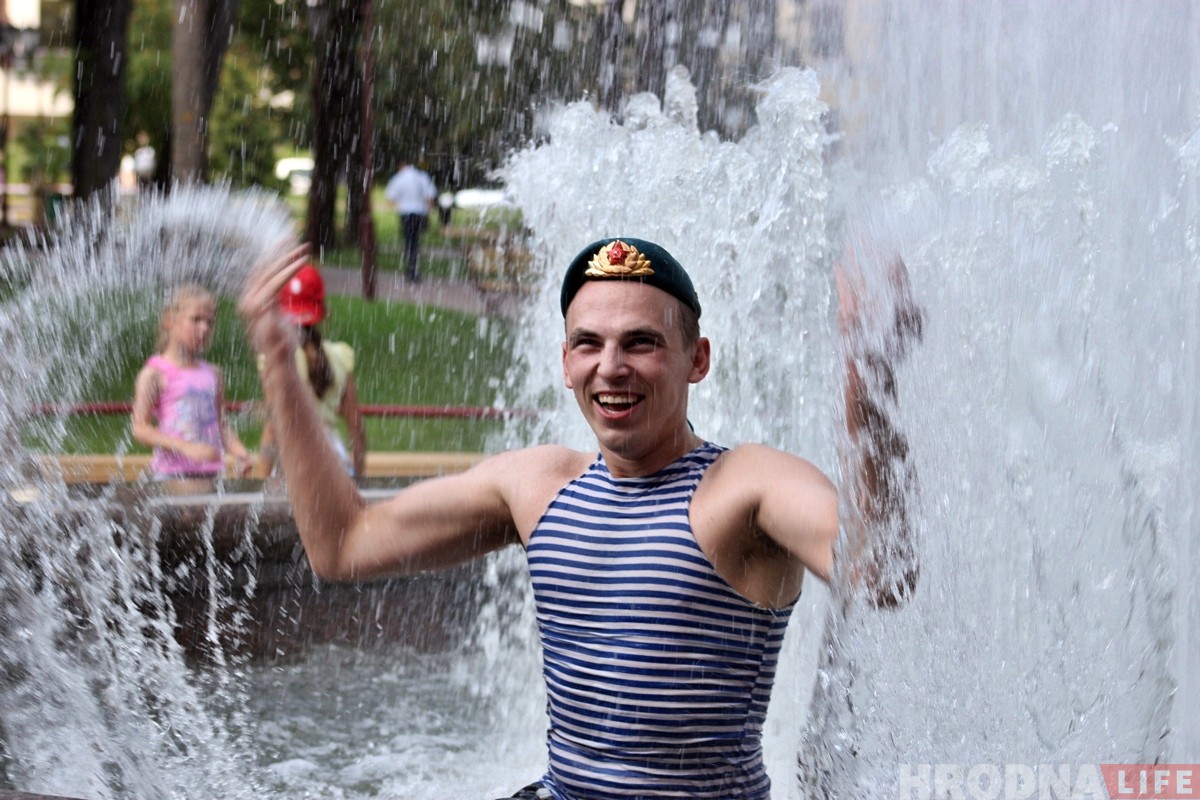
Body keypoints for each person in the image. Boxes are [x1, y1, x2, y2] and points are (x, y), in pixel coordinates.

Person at [239, 236, 921, 799]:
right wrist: (277, 362)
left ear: (698, 359)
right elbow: (343, 543)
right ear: (565, 363)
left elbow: (883, 575)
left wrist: (873, 385)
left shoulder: (741, 487)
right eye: (588, 344)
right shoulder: (535, 485)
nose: (612, 368)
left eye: (642, 343)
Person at [133, 283, 252, 482]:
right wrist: (185, 447)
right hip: (171, 474)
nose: (204, 328)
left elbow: (220, 424)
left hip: (211, 473)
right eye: (196, 320)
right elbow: (140, 428)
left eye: (210, 322)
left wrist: (241, 454)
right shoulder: (155, 373)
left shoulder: (213, 374)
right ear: (170, 320)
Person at [257, 263, 366, 479]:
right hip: (334, 460)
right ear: (322, 313)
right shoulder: (340, 355)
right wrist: (359, 475)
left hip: (294, 463)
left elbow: (274, 426)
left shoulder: (276, 360)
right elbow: (356, 426)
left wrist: (259, 481)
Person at [383, 159, 438, 281]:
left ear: (401, 165)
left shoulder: (399, 178)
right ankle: (415, 269)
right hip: (420, 213)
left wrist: (402, 202)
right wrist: (427, 208)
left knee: (409, 242)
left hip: (406, 213)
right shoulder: (422, 176)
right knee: (416, 241)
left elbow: (390, 198)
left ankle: (411, 269)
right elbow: (430, 196)